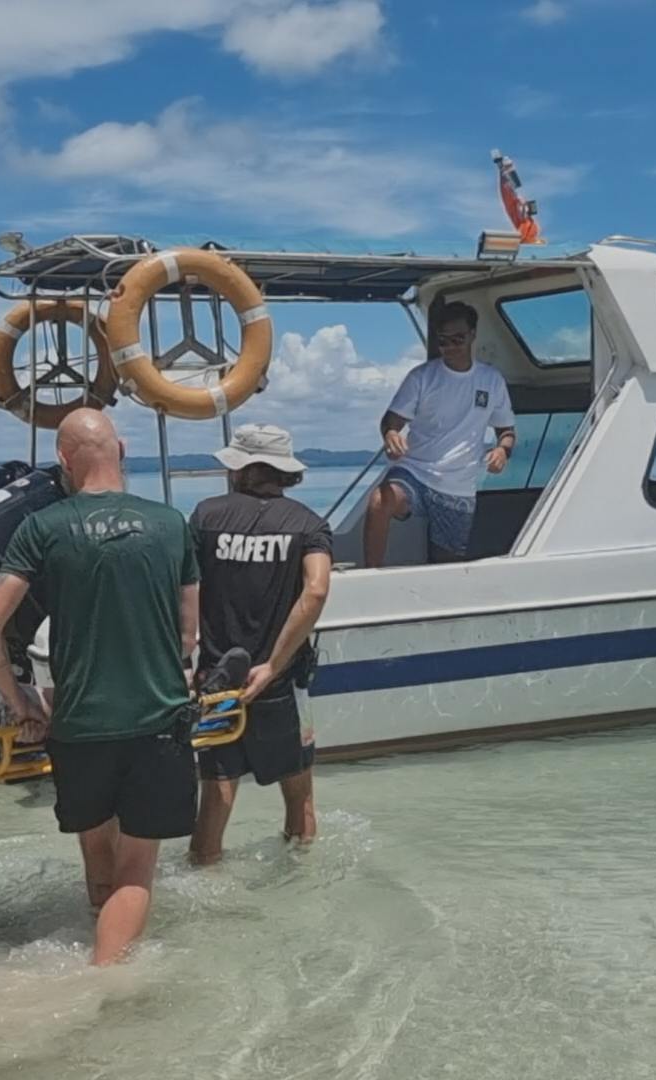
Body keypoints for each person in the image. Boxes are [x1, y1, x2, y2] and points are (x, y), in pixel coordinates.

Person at [0, 410, 199, 966]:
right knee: (138, 869)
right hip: (156, 721)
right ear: (121, 448)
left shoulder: (42, 527)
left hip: (77, 728)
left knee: (98, 854)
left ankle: (102, 941)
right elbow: (188, 635)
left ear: (64, 462)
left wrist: (19, 698)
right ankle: (105, 983)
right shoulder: (171, 524)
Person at [186, 424, 332, 865]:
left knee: (217, 794)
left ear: (240, 468)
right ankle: (303, 883)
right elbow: (317, 590)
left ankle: (205, 878)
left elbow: (185, 590)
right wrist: (273, 665)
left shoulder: (206, 516)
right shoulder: (308, 523)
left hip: (218, 680)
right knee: (300, 793)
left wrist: (186, 658)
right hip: (281, 682)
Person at [363, 300, 517, 567]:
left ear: (472, 335)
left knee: (447, 565)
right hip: (415, 472)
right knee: (380, 500)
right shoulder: (421, 377)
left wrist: (502, 450)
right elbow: (391, 421)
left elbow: (507, 430)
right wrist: (390, 435)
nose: (449, 347)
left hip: (459, 487)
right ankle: (370, 575)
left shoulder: (491, 380)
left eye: (457, 339)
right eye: (443, 341)